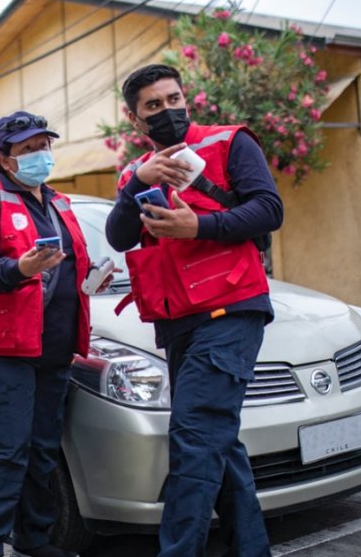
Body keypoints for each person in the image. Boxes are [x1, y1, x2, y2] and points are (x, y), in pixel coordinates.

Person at [104, 64, 283, 557]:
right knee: (217, 443)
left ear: (188, 99)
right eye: (153, 106)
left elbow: (270, 209)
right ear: (136, 119)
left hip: (230, 307)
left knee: (194, 437)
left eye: (173, 98)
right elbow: (119, 237)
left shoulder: (229, 143)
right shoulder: (135, 171)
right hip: (178, 320)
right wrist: (134, 183)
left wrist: (199, 227)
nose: (168, 110)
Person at [0, 111, 103, 557]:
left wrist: (94, 276)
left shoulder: (59, 204)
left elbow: (70, 266)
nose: (40, 155)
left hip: (52, 350)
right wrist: (20, 268)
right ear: (4, 158)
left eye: (44, 146)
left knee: (41, 452)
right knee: (2, 455)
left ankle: (35, 540)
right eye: (28, 149)